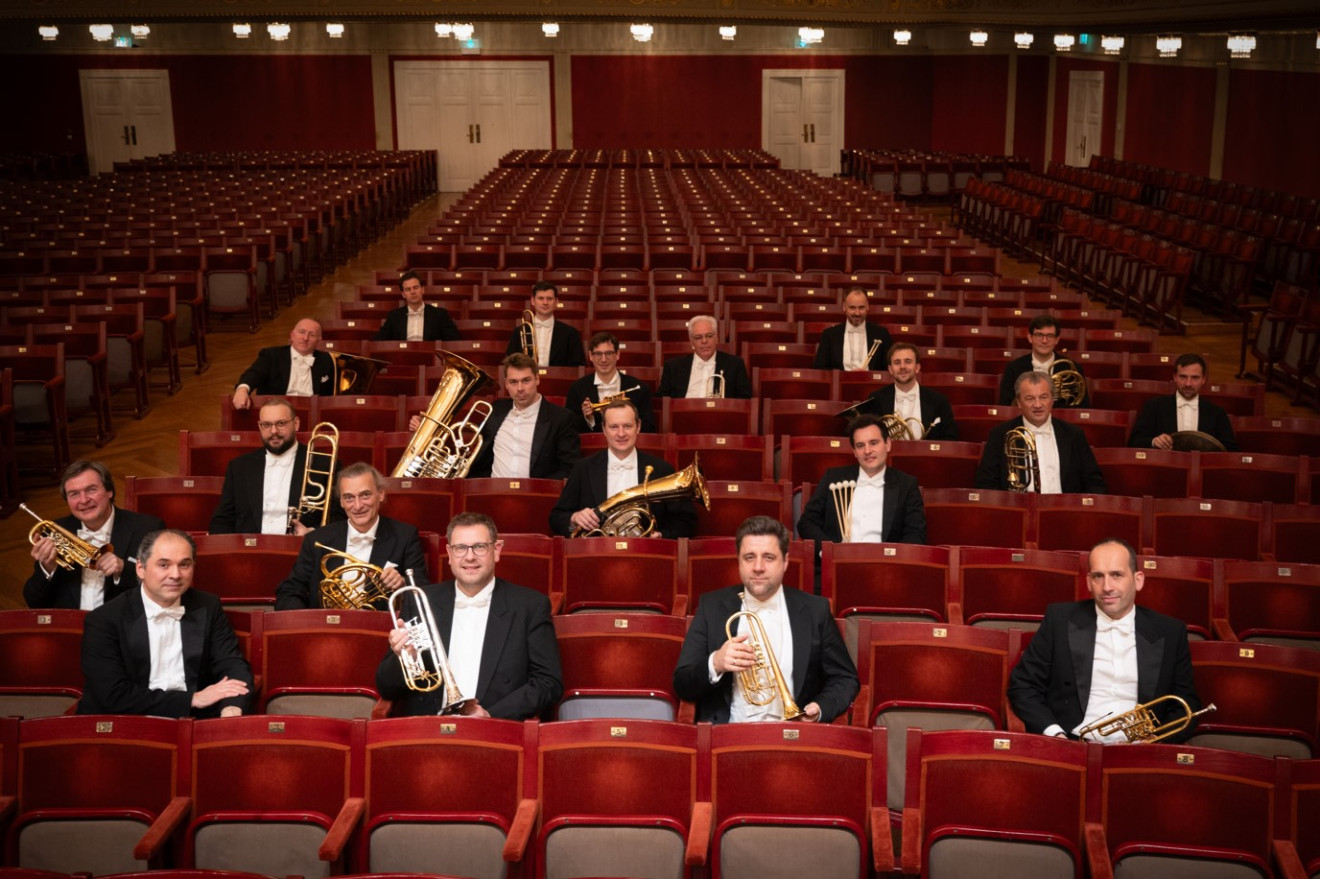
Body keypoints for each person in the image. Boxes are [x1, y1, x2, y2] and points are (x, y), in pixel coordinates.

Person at [1008, 538, 1202, 742]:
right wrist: (1055, 734)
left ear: (1138, 580)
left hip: (1142, 748)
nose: (1107, 586)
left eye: (1117, 575)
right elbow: (1023, 685)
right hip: (1071, 743)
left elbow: (1185, 704)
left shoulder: (1170, 631)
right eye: (1098, 576)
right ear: (1088, 582)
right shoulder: (1059, 620)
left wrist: (1156, 741)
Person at [376, 512, 562, 719]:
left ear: (496, 550)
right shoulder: (419, 601)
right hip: (428, 727)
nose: (470, 557)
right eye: (460, 548)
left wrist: (491, 715)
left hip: (496, 729)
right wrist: (405, 659)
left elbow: (548, 683)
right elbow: (386, 687)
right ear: (449, 554)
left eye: (479, 547)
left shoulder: (529, 606)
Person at [673, 516, 858, 723]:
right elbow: (682, 683)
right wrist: (715, 663)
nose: (758, 567)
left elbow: (845, 678)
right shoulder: (711, 606)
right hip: (728, 733)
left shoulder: (815, 610)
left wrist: (820, 707)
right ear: (739, 561)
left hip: (792, 733)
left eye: (769, 557)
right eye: (749, 557)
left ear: (785, 562)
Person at [78, 529, 253, 717]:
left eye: (184, 564)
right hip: (127, 720)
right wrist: (192, 699)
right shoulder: (104, 619)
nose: (175, 575)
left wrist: (231, 708)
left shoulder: (208, 606)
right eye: (164, 565)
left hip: (193, 718)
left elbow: (231, 665)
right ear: (141, 569)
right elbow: (113, 695)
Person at [274, 462, 426, 610]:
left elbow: (422, 591)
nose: (358, 506)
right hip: (327, 625)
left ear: (380, 494)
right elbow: (290, 591)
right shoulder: (316, 539)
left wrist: (402, 584)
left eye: (365, 495)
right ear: (341, 501)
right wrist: (306, 622)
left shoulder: (404, 536)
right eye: (349, 498)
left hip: (381, 626)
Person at [24, 460, 165, 610]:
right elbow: (34, 602)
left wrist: (123, 569)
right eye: (74, 494)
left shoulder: (147, 528)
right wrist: (47, 567)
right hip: (70, 620)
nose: (83, 500)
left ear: (109, 491)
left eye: (91, 490)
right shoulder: (54, 531)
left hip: (119, 621)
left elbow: (162, 589)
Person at [549, 400, 697, 538]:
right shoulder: (583, 468)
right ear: (604, 429)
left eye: (627, 426)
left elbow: (686, 520)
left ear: (638, 427)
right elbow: (556, 518)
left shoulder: (661, 469)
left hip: (646, 552)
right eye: (614, 427)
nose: (621, 434)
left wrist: (661, 536)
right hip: (597, 552)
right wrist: (574, 518)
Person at [209, 397, 343, 535]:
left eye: (281, 423)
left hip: (301, 547)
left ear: (296, 423)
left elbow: (340, 517)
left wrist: (312, 532)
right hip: (250, 547)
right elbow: (222, 520)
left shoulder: (324, 464)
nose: (273, 431)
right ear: (260, 426)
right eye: (266, 425)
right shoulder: (239, 467)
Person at [797, 414, 927, 546]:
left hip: (883, 559)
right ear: (854, 451)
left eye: (873, 443)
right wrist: (828, 551)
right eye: (860, 445)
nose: (867, 451)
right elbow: (807, 522)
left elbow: (915, 535)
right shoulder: (833, 478)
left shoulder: (907, 485)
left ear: (887, 444)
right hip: (836, 557)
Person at [975, 371, 1107, 494]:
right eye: (1030, 398)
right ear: (1019, 402)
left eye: (1043, 397)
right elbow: (985, 484)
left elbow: (1094, 483)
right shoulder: (1000, 435)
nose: (1038, 405)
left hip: (1064, 509)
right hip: (1018, 510)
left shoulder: (1074, 435)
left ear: (1052, 400)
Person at [466, 353, 581, 480]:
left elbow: (569, 469)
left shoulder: (561, 418)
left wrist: (538, 488)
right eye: (513, 382)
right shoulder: (496, 410)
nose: (520, 388)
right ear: (506, 384)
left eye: (526, 380)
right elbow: (480, 457)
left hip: (536, 491)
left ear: (537, 379)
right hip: (494, 489)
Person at [1128, 353, 1238, 451]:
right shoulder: (1154, 406)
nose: (1188, 384)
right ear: (1175, 377)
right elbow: (1134, 442)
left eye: (1195, 378)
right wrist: (1154, 441)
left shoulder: (1217, 413)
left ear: (1203, 380)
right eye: (1183, 377)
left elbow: (1230, 450)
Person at [856, 343, 958, 440]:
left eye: (908, 361)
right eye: (897, 362)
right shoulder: (876, 399)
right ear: (890, 369)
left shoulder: (939, 401)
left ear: (917, 367)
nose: (902, 367)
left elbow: (950, 438)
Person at [564, 331, 657, 433]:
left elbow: (648, 428)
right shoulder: (577, 389)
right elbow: (570, 430)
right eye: (598, 354)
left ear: (617, 354)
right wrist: (589, 419)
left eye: (608, 353)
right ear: (590, 356)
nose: (603, 359)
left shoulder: (639, 388)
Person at [231, 318, 334, 410]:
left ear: (318, 341)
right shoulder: (271, 355)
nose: (305, 338)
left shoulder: (328, 360)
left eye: (311, 335)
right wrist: (242, 389)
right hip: (275, 412)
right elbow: (254, 374)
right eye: (302, 332)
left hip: (313, 412)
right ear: (292, 335)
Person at [996, 314, 1090, 408]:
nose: (1044, 341)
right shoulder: (1014, 368)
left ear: (1056, 339)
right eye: (1039, 335)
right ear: (1030, 337)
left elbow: (1083, 406)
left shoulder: (1072, 368)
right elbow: (1006, 406)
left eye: (1050, 336)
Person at [657, 315, 753, 399]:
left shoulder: (735, 364)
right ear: (691, 342)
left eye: (709, 336)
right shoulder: (673, 367)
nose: (704, 341)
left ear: (716, 338)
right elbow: (662, 399)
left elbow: (745, 399)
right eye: (698, 337)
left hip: (721, 414)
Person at [503, 281, 586, 367]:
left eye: (549, 298)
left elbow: (578, 366)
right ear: (533, 301)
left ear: (556, 302)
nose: (545, 302)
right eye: (541, 298)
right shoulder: (519, 331)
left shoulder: (571, 333)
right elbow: (509, 363)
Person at [812, 286, 892, 372]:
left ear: (867, 306)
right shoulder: (829, 335)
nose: (857, 313)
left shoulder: (881, 334)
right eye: (852, 308)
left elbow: (890, 367)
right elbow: (820, 368)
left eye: (861, 307)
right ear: (844, 307)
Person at [373, 270, 462, 342]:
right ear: (403, 294)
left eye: (416, 287)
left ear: (422, 289)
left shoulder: (439, 314)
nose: (413, 292)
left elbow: (454, 342)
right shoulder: (394, 316)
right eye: (408, 289)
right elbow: (378, 342)